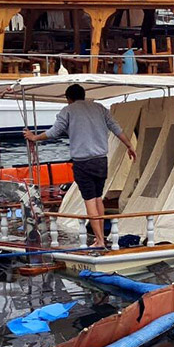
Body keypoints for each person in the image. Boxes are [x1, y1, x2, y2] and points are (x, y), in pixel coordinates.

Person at [23, 84, 135, 248]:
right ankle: (100, 237)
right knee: (98, 199)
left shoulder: (67, 111)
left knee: (89, 202)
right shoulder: (100, 108)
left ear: (68, 98)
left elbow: (54, 132)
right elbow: (116, 129)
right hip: (101, 160)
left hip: (83, 163)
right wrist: (129, 146)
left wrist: (34, 137)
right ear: (84, 95)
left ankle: (100, 241)